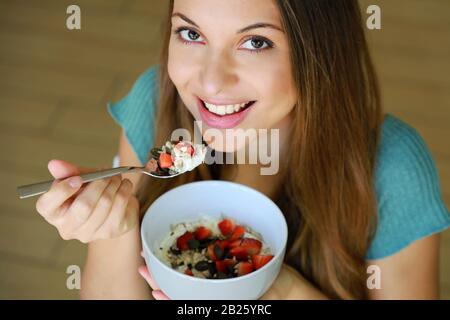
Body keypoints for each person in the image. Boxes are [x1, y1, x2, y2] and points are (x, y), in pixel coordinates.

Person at [36, 0, 450, 299]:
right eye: (191, 33)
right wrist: (115, 231)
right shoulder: (154, 103)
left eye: (254, 43)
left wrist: (281, 290)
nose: (211, 83)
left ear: (320, 50)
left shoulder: (393, 169)